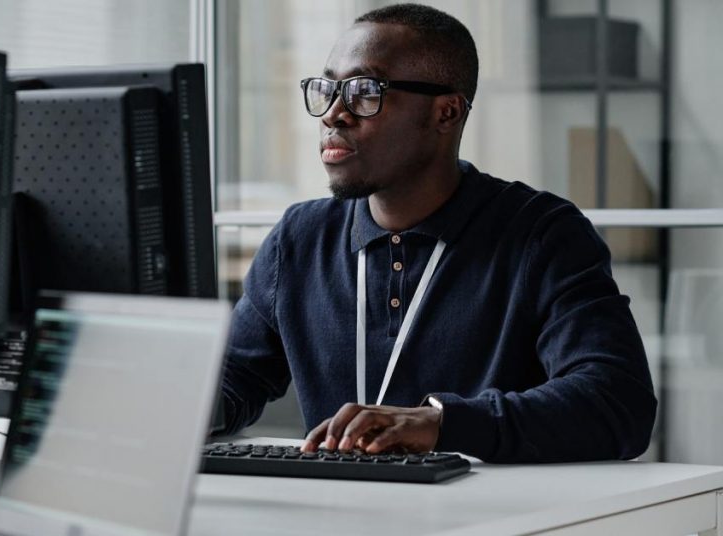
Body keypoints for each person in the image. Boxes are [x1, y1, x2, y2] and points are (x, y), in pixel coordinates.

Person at [218, 3, 657, 464]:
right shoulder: (300, 239)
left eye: (365, 91)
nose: (334, 113)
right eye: (328, 89)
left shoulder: (541, 234)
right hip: (337, 513)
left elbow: (617, 403)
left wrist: (443, 424)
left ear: (446, 113)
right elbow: (232, 382)